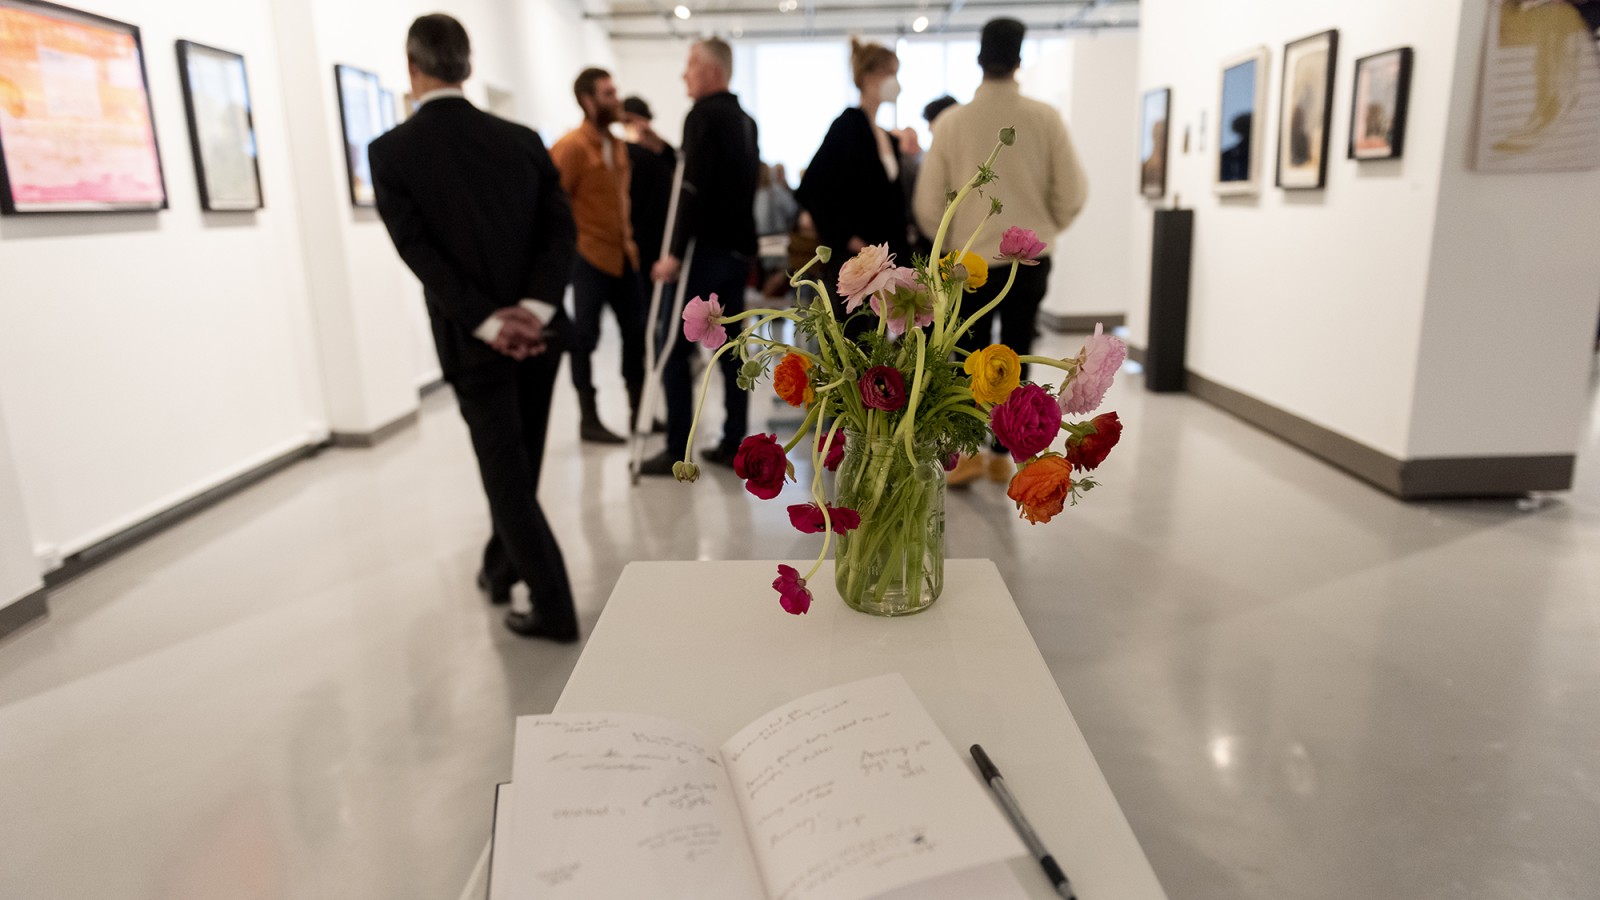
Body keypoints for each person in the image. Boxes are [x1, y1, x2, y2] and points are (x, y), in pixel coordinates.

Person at [369, 14, 579, 641]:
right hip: (540, 338)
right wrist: (534, 311)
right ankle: (498, 567)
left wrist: (489, 322)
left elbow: (420, 253)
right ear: (467, 64)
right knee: (522, 467)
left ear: (412, 68)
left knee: (507, 479)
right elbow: (560, 231)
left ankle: (554, 607)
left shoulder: (390, 152)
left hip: (472, 340)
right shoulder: (520, 138)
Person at [913, 17, 1088, 487]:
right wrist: (1047, 230)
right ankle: (1003, 450)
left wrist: (952, 244)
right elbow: (1072, 191)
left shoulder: (952, 124)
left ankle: (967, 450)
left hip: (968, 263)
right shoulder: (1044, 118)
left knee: (967, 355)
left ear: (978, 57)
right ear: (1020, 58)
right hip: (1028, 261)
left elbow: (928, 205)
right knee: (1019, 352)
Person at [640, 38, 760, 475]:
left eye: (690, 65)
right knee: (729, 347)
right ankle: (734, 441)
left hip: (703, 252)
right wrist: (668, 152)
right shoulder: (744, 121)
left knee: (670, 343)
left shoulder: (701, 115)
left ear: (712, 71)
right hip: (734, 253)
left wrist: (671, 254)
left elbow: (692, 190)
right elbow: (710, 175)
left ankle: (676, 446)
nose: (684, 74)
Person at [550, 68, 648, 445]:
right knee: (583, 339)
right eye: (608, 93)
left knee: (635, 335)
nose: (616, 99)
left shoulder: (618, 143)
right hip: (589, 256)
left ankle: (639, 412)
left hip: (625, 255)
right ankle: (588, 418)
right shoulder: (572, 147)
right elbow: (554, 205)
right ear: (588, 100)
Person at [796, 38, 911, 331]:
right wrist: (848, 238)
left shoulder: (885, 136)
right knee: (858, 341)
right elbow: (813, 188)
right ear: (869, 77)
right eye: (890, 73)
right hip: (857, 263)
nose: (895, 82)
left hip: (887, 261)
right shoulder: (848, 125)